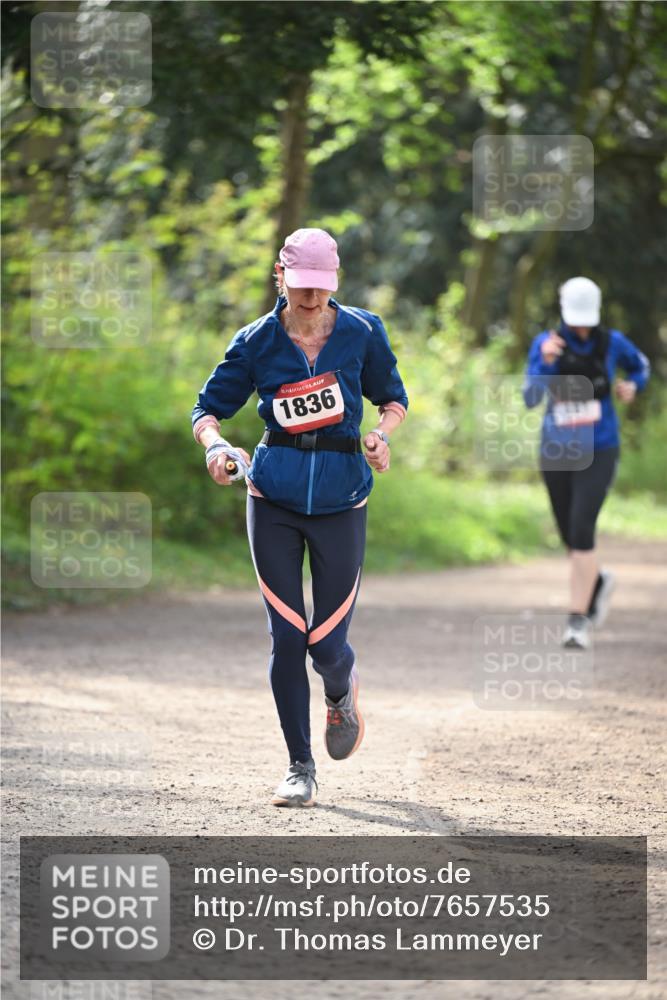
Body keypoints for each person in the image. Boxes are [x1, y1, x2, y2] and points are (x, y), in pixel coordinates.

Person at [191, 228, 408, 806]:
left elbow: (393, 398)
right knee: (287, 637)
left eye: (321, 288)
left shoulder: (363, 331)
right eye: (301, 286)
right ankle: (300, 766)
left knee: (326, 645)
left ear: (334, 284)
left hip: (343, 500)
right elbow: (207, 410)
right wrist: (217, 448)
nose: (311, 298)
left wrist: (381, 436)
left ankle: (341, 692)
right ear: (280, 277)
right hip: (274, 497)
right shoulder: (257, 340)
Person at [523, 276, 650, 649]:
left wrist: (634, 385)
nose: (580, 326)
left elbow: (640, 366)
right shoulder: (546, 345)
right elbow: (530, 397)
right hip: (556, 450)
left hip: (600, 447)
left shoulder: (613, 343)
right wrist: (545, 362)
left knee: (582, 528)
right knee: (569, 534)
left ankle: (578, 622)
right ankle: (597, 579)